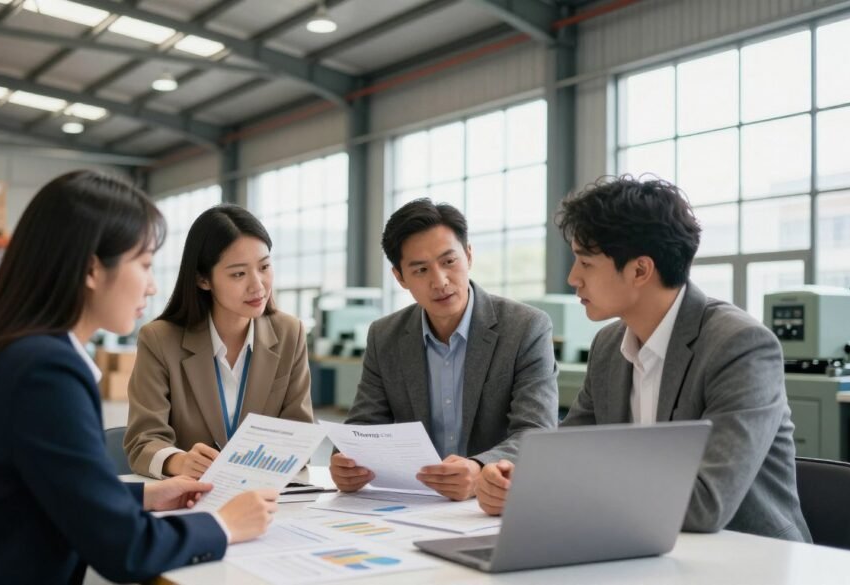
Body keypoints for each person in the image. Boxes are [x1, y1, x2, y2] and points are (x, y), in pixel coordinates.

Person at [0, 172, 278, 585]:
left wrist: (145, 496)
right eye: (143, 264)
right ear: (92, 269)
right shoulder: (45, 372)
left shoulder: (8, 350)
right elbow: (125, 550)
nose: (152, 285)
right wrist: (225, 525)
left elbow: (36, 490)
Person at [475, 176, 811, 542]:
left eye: (585, 262)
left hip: (750, 557)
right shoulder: (608, 345)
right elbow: (565, 457)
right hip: (640, 543)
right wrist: (515, 479)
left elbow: (706, 504)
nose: (573, 278)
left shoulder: (740, 345)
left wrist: (563, 485)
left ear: (639, 270)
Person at [331, 198, 559, 501]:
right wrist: (346, 462)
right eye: (421, 269)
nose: (439, 281)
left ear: (468, 255)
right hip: (416, 501)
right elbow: (364, 425)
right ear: (400, 277)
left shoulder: (525, 328)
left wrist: (479, 468)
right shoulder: (385, 336)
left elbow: (536, 432)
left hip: (494, 503)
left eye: (449, 262)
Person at [125, 204, 313, 479]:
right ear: (203, 279)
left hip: (266, 496)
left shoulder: (289, 333)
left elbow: (300, 436)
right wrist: (179, 461)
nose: (257, 285)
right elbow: (143, 441)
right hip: (190, 496)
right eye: (238, 273)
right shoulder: (160, 339)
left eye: (264, 267)